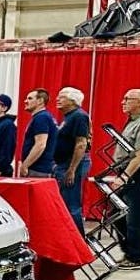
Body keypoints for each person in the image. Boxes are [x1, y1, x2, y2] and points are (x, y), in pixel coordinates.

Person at [113, 88, 140, 268]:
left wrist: (125, 176)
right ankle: (130, 252)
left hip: (139, 173)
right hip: (127, 171)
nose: (123, 101)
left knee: (134, 216)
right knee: (117, 214)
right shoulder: (133, 120)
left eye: (128, 99)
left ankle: (136, 256)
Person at [54, 86, 93, 233]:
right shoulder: (69, 117)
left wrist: (72, 170)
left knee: (71, 204)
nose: (58, 99)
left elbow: (81, 144)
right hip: (64, 163)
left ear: (73, 101)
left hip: (72, 164)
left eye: (62, 96)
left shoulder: (79, 116)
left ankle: (78, 241)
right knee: (65, 203)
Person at [19, 89, 58, 177]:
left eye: (30, 98)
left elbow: (40, 144)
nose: (25, 101)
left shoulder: (41, 118)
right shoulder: (44, 117)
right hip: (41, 168)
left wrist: (25, 165)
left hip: (38, 169)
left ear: (40, 101)